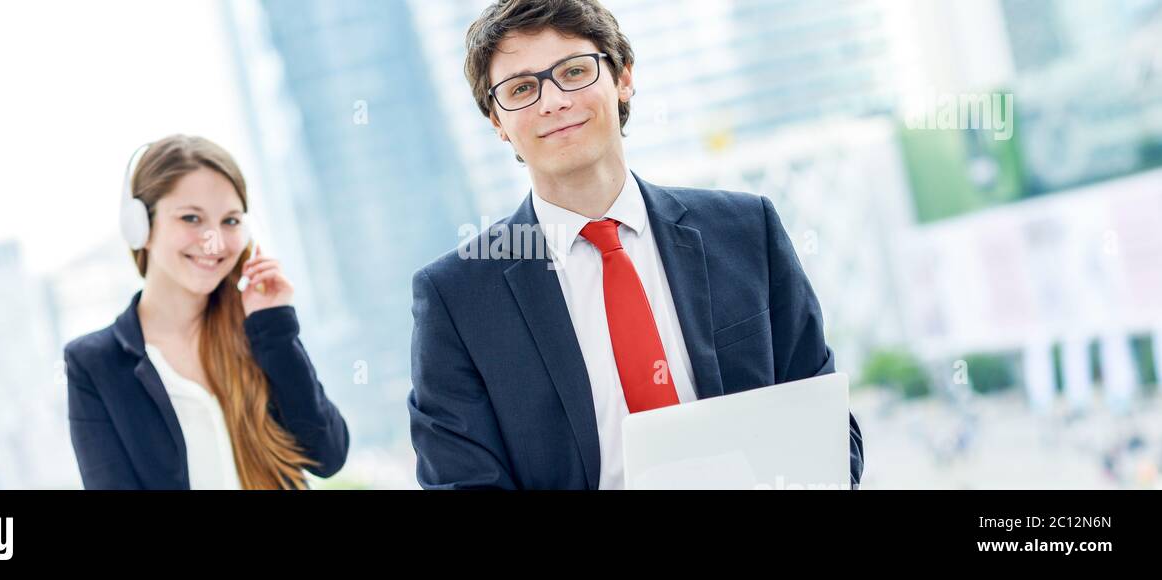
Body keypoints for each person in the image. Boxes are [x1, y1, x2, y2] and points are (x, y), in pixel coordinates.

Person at [407, 0, 863, 489]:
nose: (553, 101)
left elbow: (829, 430)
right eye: (521, 88)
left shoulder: (746, 229)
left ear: (623, 77)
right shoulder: (455, 299)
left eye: (574, 71)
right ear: (497, 122)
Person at [64, 134, 349, 489]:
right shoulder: (95, 363)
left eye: (230, 221)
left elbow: (328, 455)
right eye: (191, 218)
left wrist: (275, 330)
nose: (213, 240)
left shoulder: (257, 332)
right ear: (141, 227)